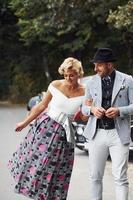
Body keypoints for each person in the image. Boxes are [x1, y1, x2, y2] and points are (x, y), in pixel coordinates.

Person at [7, 57, 86, 200]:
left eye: (72, 75)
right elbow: (42, 106)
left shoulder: (85, 92)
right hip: (46, 128)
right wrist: (24, 123)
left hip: (65, 134)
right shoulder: (55, 85)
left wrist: (82, 114)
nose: (68, 78)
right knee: (39, 165)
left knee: (57, 169)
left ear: (79, 74)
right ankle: (36, 194)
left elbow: (85, 117)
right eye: (65, 74)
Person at [82, 48, 133, 200]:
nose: (95, 69)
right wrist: (92, 110)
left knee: (120, 178)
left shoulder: (127, 80)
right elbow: (84, 107)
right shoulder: (91, 82)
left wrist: (119, 111)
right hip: (97, 134)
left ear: (109, 65)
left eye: (99, 65)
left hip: (118, 133)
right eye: (95, 65)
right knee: (95, 177)